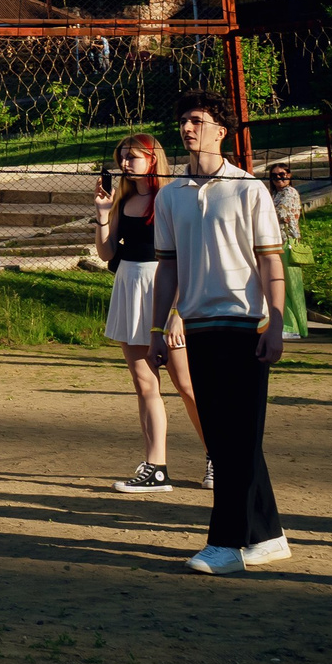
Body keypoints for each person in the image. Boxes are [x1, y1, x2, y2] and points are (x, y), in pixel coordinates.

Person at [150, 88, 291, 575]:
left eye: (197, 119)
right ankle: (267, 535)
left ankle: (226, 543)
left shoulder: (250, 189)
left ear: (220, 129)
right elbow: (166, 268)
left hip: (246, 326)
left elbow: (271, 261)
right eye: (183, 120)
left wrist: (275, 323)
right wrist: (155, 328)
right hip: (198, 328)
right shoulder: (170, 195)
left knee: (237, 436)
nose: (188, 128)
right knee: (227, 436)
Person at [93, 133, 209, 493]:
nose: (125, 163)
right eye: (122, 156)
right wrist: (101, 214)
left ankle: (218, 456)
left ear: (152, 159)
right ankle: (155, 467)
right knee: (145, 385)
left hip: (164, 289)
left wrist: (178, 311)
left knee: (187, 384)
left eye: (133, 157)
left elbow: (186, 258)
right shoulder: (122, 199)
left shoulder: (170, 198)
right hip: (128, 286)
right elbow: (107, 254)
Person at [265, 163, 309, 340]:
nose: (278, 179)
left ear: (289, 175)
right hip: (277, 242)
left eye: (282, 174)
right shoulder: (275, 194)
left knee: (292, 286)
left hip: (287, 243)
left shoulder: (289, 193)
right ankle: (290, 324)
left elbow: (279, 215)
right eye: (274, 176)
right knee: (282, 285)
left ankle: (297, 326)